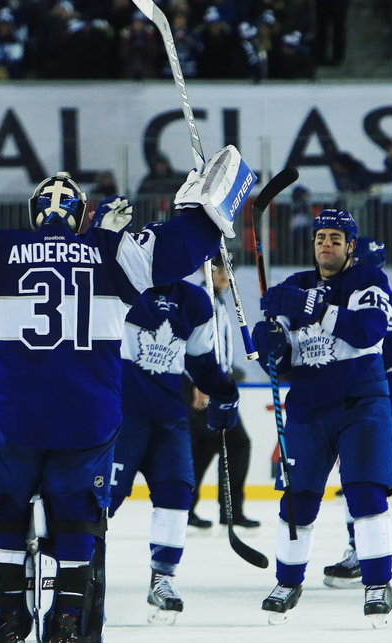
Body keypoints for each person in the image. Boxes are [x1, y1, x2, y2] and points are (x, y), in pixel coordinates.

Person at [0, 147, 249, 642]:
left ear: (34, 214)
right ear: (79, 217)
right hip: (89, 418)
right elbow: (190, 245)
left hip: (15, 416)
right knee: (77, 519)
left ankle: (5, 617)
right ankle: (69, 620)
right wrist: (206, 204)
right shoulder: (115, 254)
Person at [250, 209, 392, 628]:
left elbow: (369, 331)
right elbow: (282, 362)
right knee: (298, 501)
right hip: (309, 409)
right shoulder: (293, 287)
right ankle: (288, 581)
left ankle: (376, 584)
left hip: (361, 404)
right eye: (320, 237)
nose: (326, 244)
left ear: (351, 246)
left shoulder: (367, 280)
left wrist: (316, 308)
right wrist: (269, 345)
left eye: (335, 237)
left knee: (366, 493)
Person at [110, 251, 241, 624]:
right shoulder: (122, 288)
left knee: (177, 494)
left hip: (169, 418)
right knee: (104, 499)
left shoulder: (194, 301)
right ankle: (80, 567)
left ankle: (163, 577)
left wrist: (225, 392)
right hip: (123, 417)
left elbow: (201, 361)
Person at [322, 236, 392, 588]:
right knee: (358, 476)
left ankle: (361, 556)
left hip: (389, 398)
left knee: (360, 479)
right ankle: (362, 550)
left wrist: (367, 373)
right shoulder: (373, 291)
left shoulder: (369, 292)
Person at [188, 257, 258, 530]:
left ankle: (187, 508)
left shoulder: (215, 300)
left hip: (213, 382)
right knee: (237, 444)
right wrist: (203, 382)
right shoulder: (204, 299)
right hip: (208, 384)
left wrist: (230, 370)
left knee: (204, 447)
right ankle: (230, 511)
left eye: (228, 271)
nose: (225, 277)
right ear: (208, 270)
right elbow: (198, 343)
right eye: (220, 270)